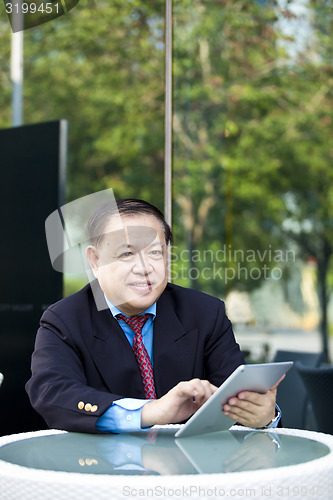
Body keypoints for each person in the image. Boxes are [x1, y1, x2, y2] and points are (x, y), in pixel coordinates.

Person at [26, 198, 281, 434]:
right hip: (102, 472)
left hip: (189, 470)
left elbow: (234, 396)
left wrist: (263, 417)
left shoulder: (204, 313)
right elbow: (52, 393)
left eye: (155, 253)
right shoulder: (65, 320)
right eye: (126, 254)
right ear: (95, 261)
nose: (144, 268)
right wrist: (150, 411)